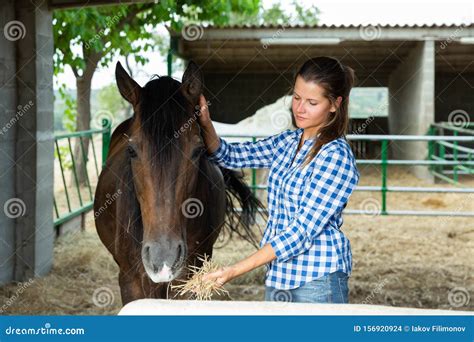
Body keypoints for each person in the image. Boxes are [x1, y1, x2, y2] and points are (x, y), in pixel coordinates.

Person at [198, 56, 360, 303]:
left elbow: (300, 232)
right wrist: (205, 122)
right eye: (296, 97)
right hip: (279, 275)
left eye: (312, 102)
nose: (300, 108)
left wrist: (233, 270)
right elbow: (229, 155)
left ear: (334, 105)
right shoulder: (287, 142)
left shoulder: (336, 156)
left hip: (317, 280)